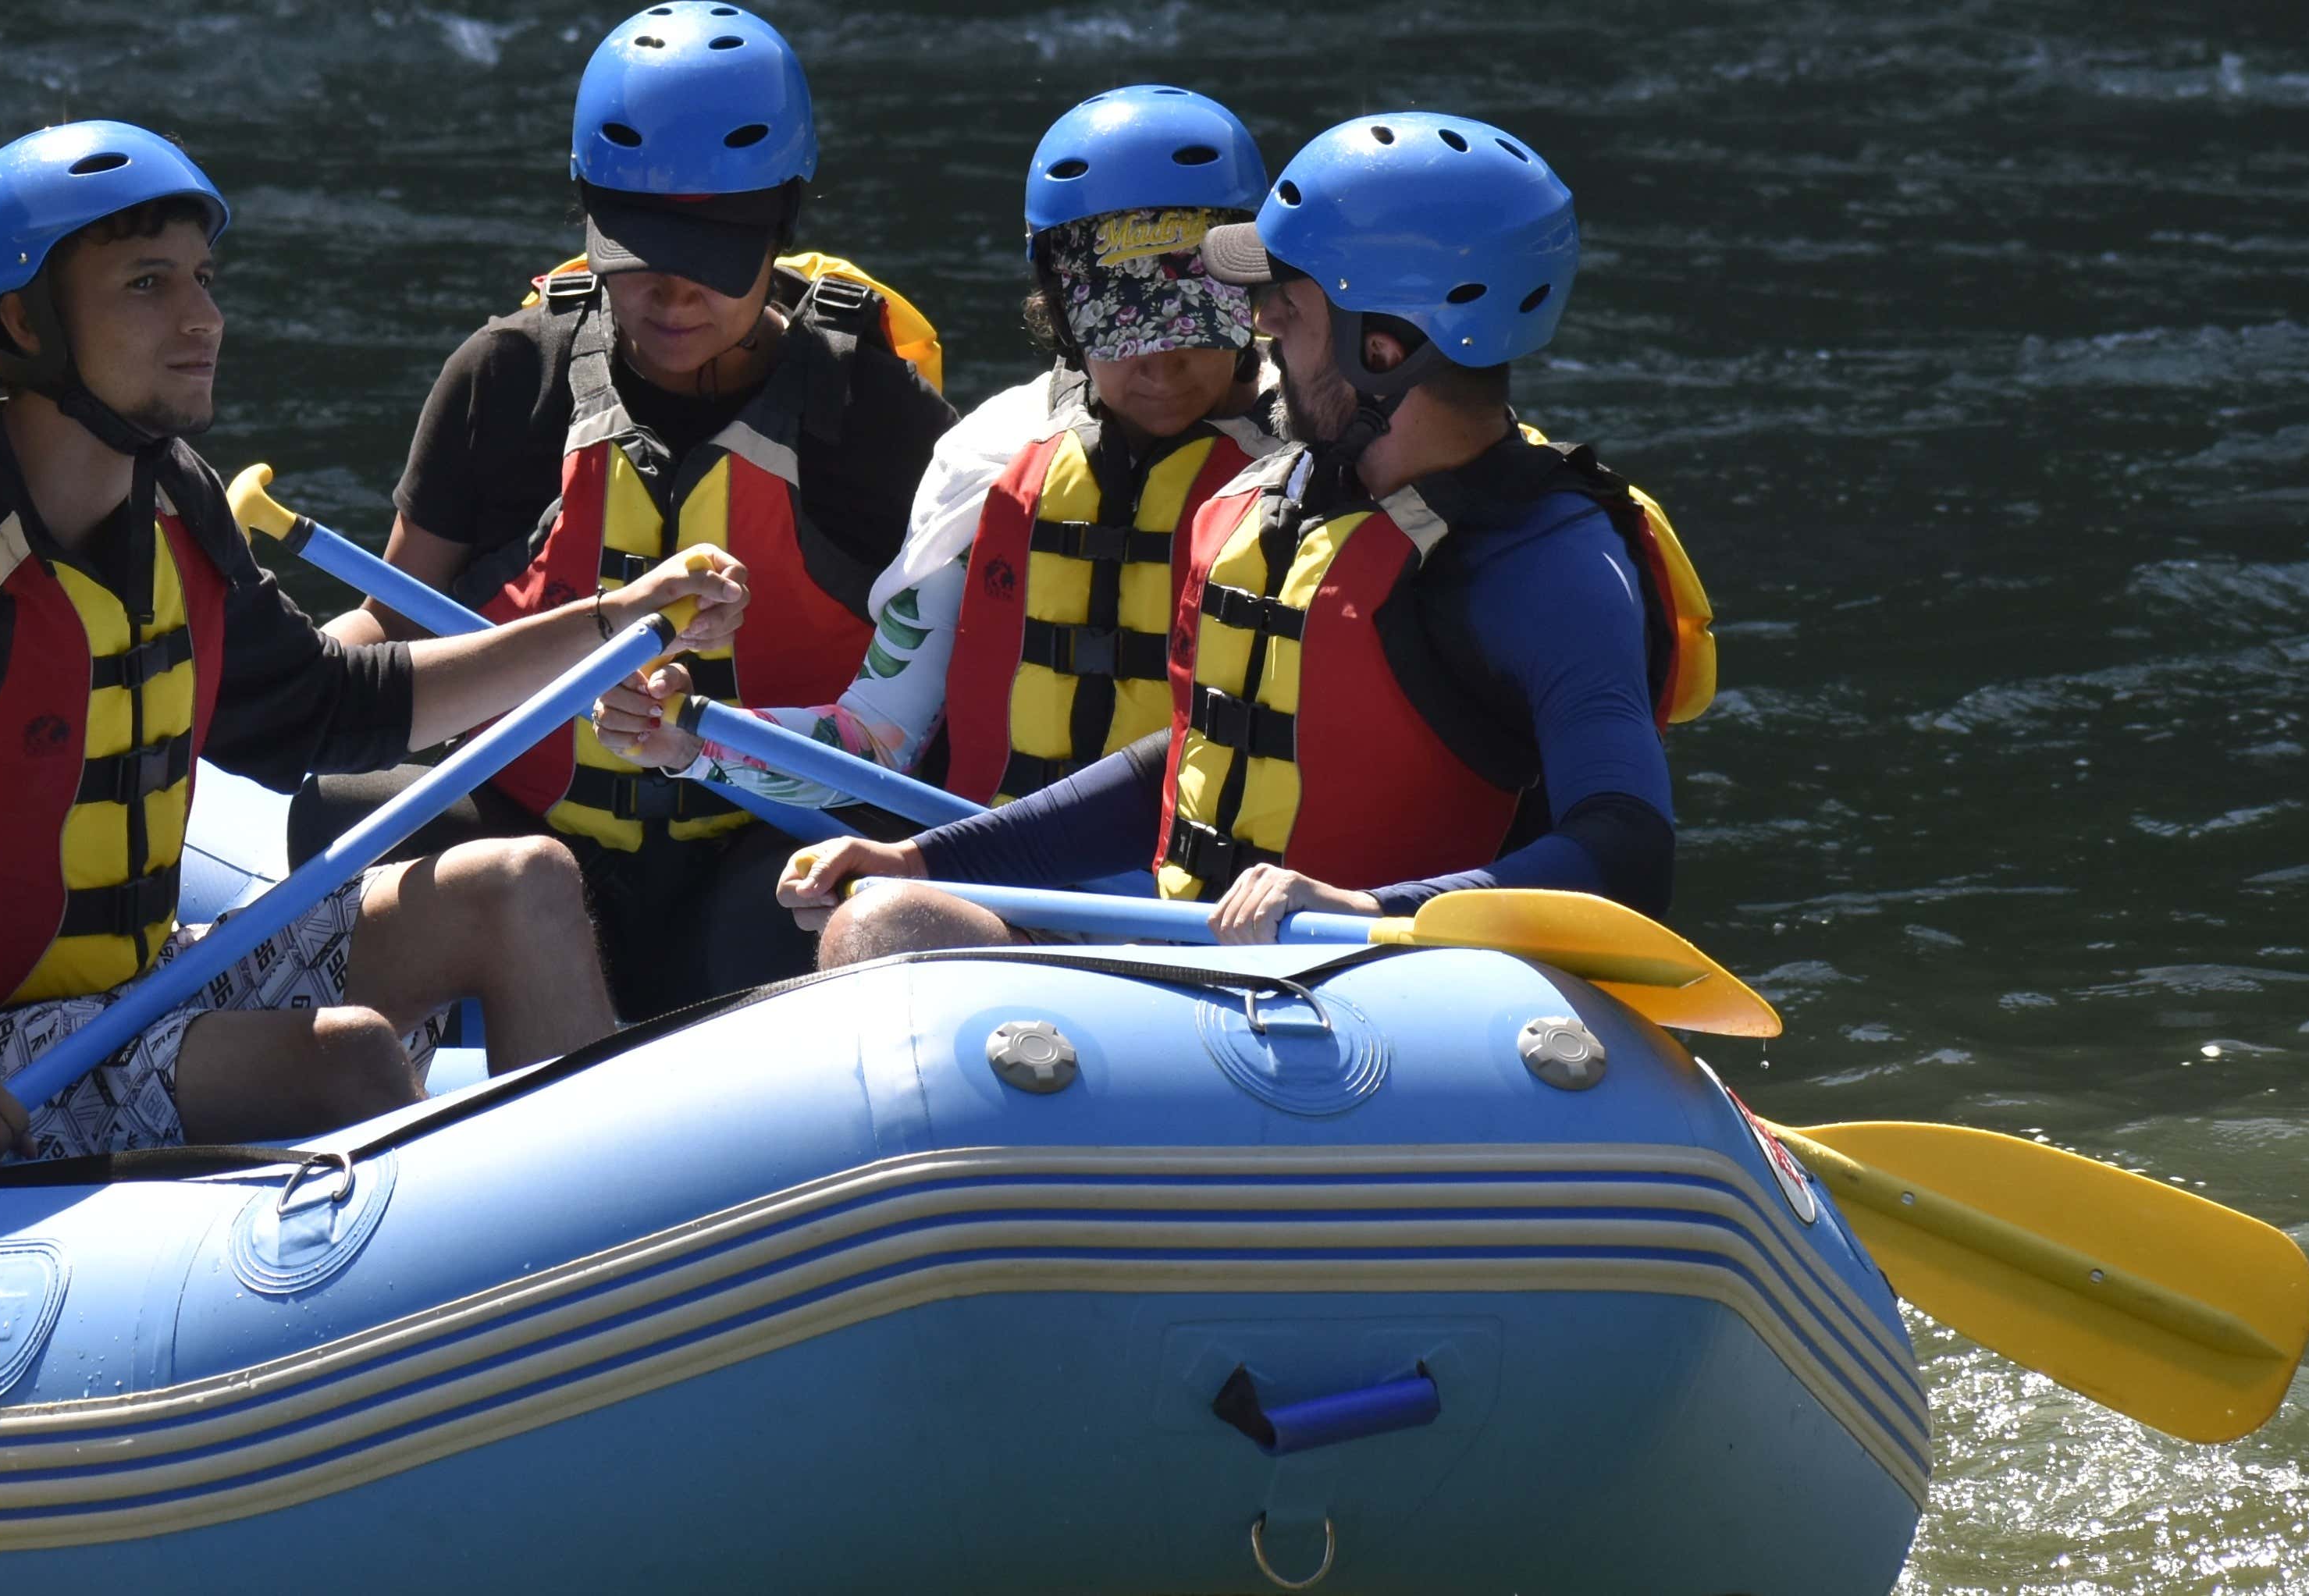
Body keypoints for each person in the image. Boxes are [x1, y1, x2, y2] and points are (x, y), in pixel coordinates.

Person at [0, 123, 745, 1168]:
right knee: (348, 1058)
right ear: (23, 323)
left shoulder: (173, 501)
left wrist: (612, 621)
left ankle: (598, 1229)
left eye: (202, 278)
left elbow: (334, 705)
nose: (203, 318)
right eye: (148, 284)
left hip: (133, 987)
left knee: (524, 883)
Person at [781, 112, 1718, 963]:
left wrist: (1367, 908)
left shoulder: (1548, 561)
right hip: (1192, 956)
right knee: (885, 921)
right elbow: (1193, 753)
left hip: (1386, 991)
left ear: (1384, 348)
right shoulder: (1265, 503)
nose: (1258, 324)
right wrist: (924, 856)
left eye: (1288, 304)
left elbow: (1625, 846)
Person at [329, 0, 956, 1018]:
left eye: (715, 253)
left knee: (802, 921)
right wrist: (261, 681)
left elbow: (943, 690)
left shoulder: (872, 412)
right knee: (335, 809)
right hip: (530, 831)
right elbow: (392, 623)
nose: (672, 294)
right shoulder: (507, 376)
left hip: (764, 848)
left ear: (780, 225)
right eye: (640, 248)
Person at [602, 84, 1278, 814]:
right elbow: (875, 739)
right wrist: (691, 739)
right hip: (1004, 871)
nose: (1162, 367)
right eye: (1122, 327)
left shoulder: (1325, 461)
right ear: (1062, 314)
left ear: (1250, 299)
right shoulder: (991, 458)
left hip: (1230, 883)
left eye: (1193, 320)